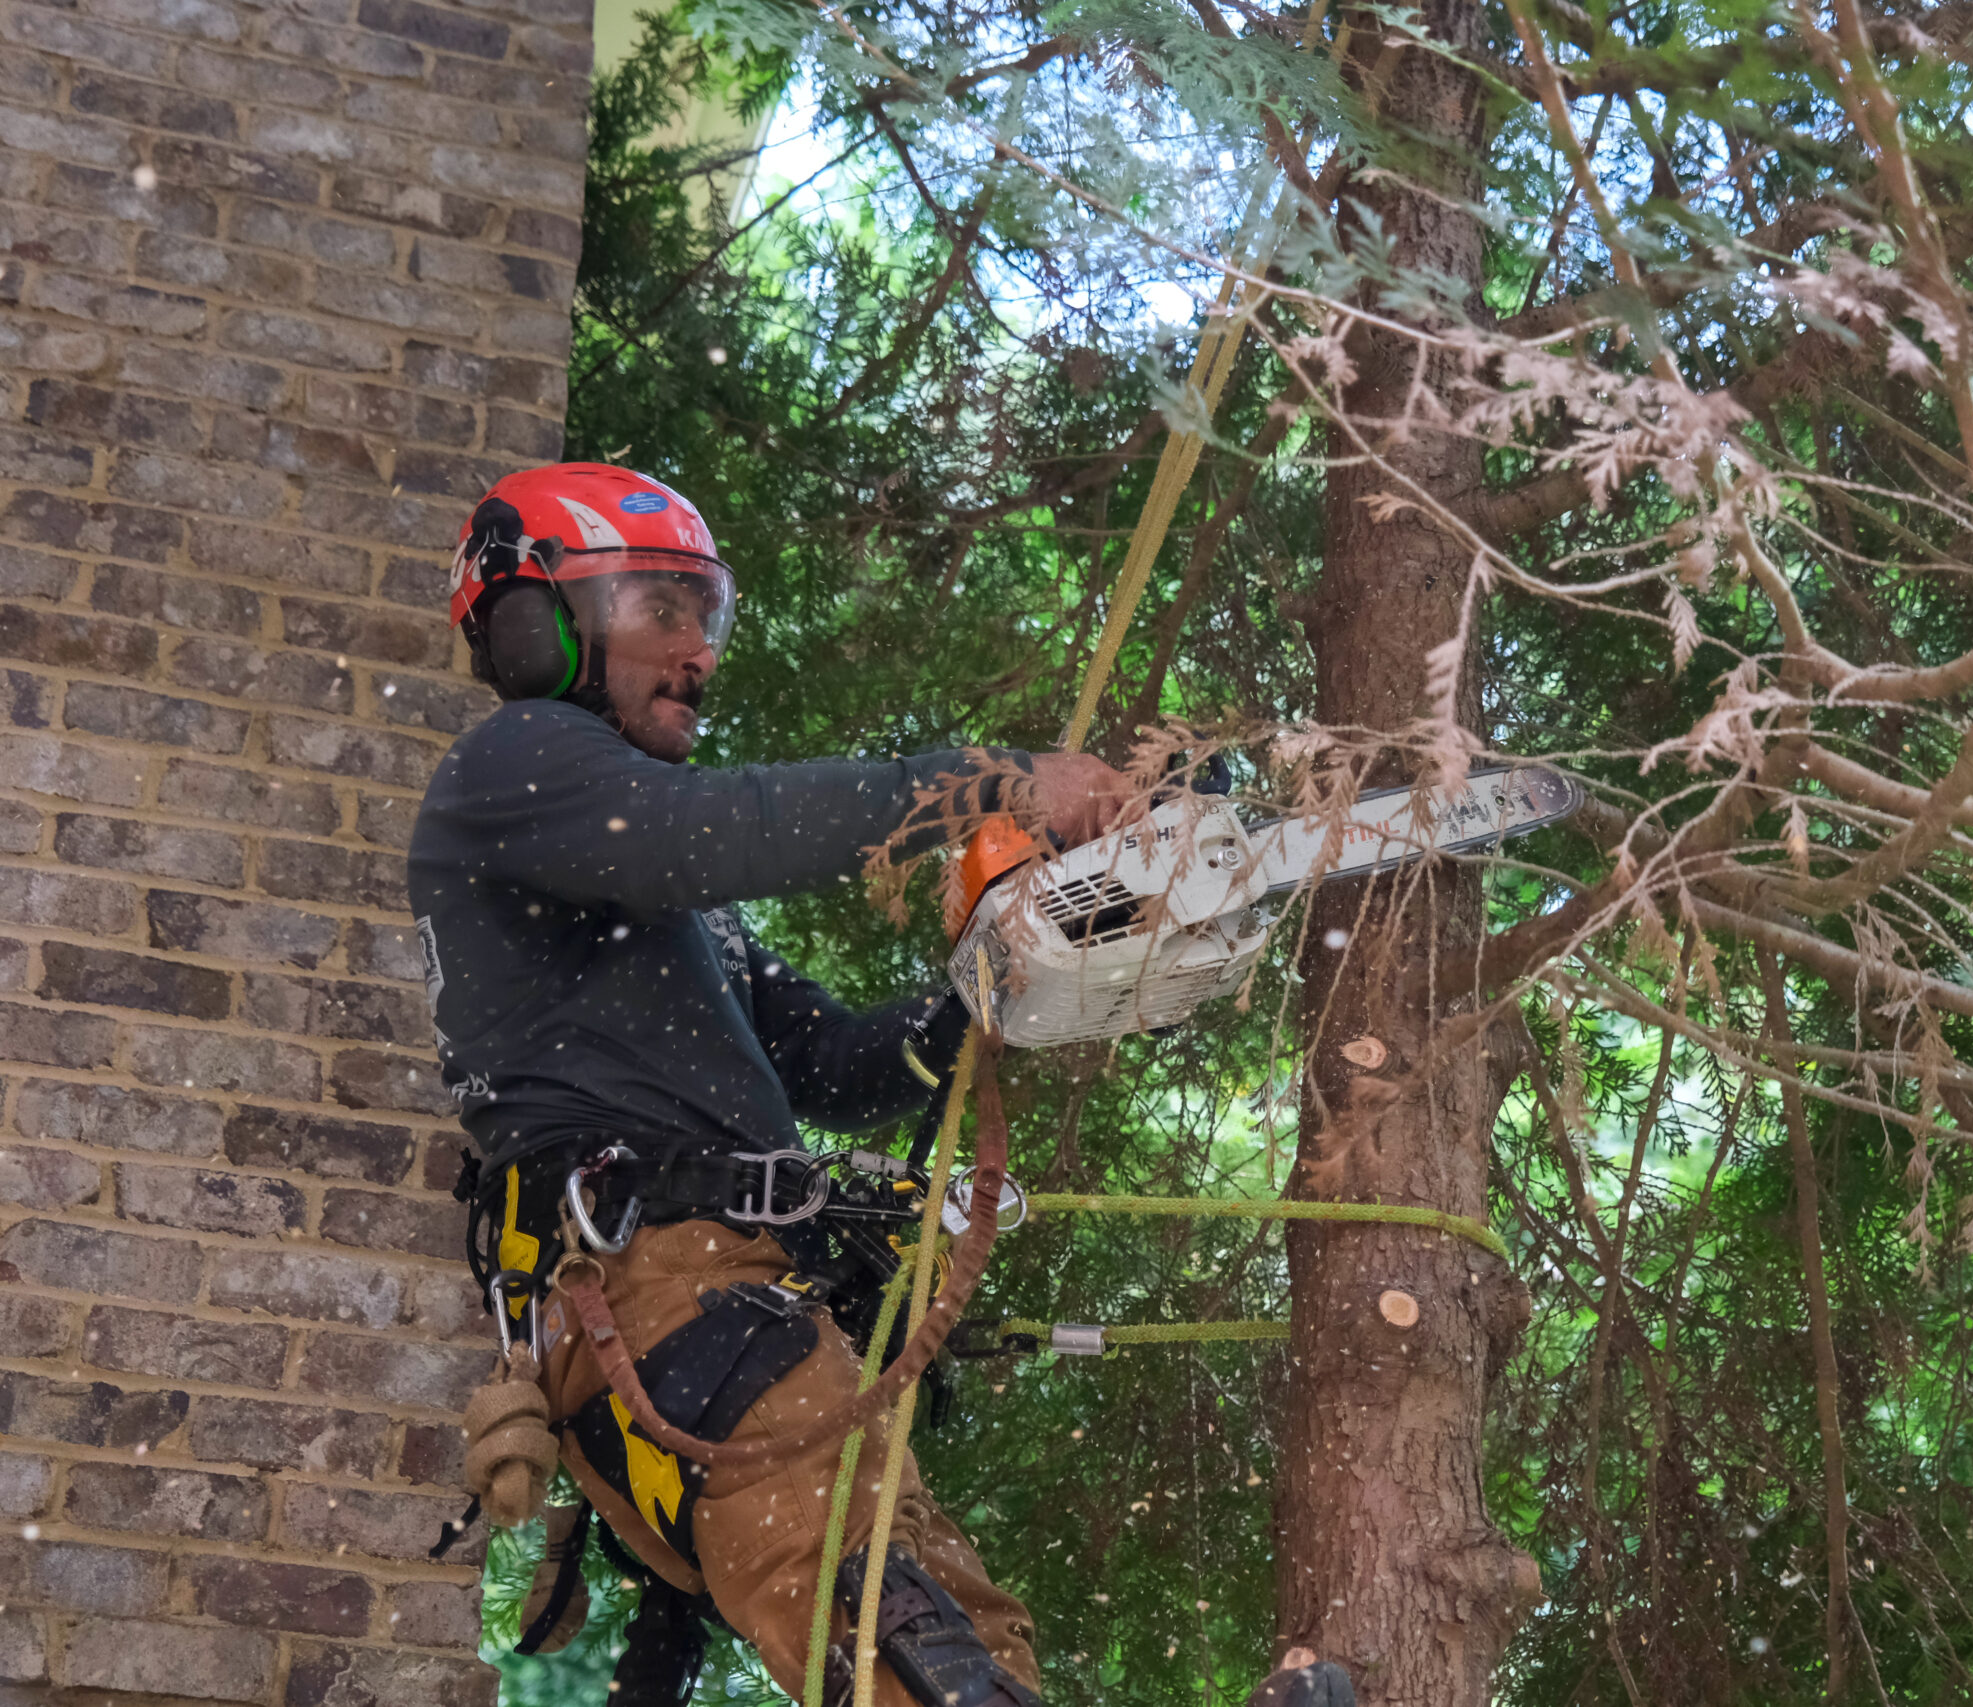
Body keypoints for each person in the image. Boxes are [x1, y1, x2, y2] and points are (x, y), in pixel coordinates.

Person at [412, 464, 1354, 1707]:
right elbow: (714, 829)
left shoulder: (680, 915)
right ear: (544, 624)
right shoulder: (520, 763)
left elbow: (841, 1066)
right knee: (868, 1603)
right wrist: (999, 784)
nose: (698, 652)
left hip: (735, 1303)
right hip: (650, 1288)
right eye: (662, 610)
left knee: (939, 1621)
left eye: (711, 617)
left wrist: (1002, 978)